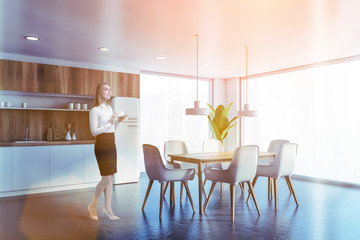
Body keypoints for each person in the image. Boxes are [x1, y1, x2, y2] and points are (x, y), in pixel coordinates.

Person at [87, 82, 126, 220]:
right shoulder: (95, 110)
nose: (109, 91)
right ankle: (92, 205)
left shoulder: (110, 108)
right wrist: (110, 122)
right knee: (106, 178)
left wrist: (118, 122)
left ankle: (108, 209)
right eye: (106, 89)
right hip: (102, 145)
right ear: (99, 92)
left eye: (110, 89)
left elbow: (112, 129)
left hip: (111, 143)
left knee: (110, 179)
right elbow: (93, 132)